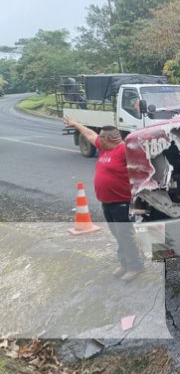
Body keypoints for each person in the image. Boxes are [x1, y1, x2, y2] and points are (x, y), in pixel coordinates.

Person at [63, 116, 144, 281]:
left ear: (108, 139)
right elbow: (90, 134)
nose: (97, 139)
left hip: (122, 202)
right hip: (107, 202)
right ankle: (124, 262)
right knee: (117, 234)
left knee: (125, 235)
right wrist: (77, 124)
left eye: (101, 136)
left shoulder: (123, 150)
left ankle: (135, 266)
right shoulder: (105, 148)